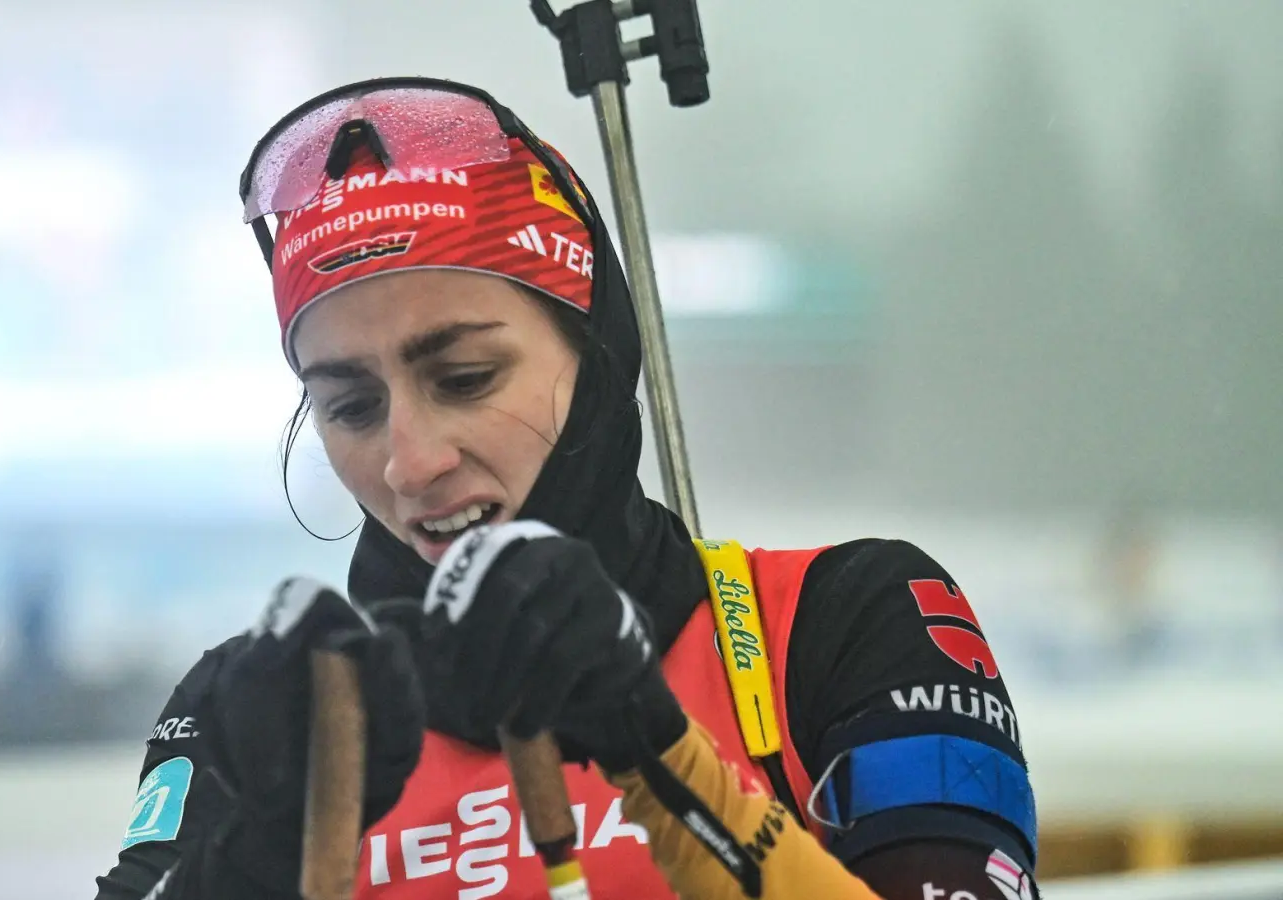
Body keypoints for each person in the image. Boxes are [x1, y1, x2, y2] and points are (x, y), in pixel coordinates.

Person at [93, 78, 1039, 900]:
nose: (409, 461)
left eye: (464, 379)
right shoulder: (266, 702)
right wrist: (252, 860)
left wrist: (652, 745)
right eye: (350, 406)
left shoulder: (837, 622)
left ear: (595, 360)